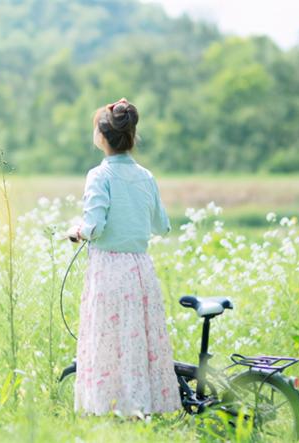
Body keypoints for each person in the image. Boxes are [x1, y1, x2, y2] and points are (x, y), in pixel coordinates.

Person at [66, 98, 181, 421]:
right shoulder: (146, 176)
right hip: (140, 270)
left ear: (102, 137)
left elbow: (94, 227)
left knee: (107, 339)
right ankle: (139, 407)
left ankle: (110, 408)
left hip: (109, 269)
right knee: (137, 340)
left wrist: (76, 230)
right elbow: (162, 225)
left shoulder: (99, 176)